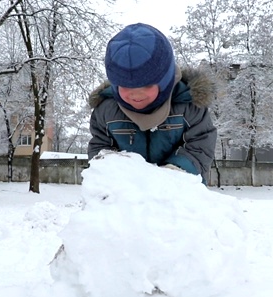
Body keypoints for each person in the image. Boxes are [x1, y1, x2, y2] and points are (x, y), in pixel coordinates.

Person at [88, 23, 217, 183]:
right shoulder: (106, 111)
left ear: (165, 80)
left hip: (177, 195)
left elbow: (200, 144)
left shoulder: (189, 105)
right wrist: (111, 173)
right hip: (127, 197)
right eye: (125, 86)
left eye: (147, 85)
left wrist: (175, 173)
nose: (136, 94)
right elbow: (100, 146)